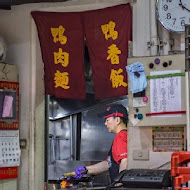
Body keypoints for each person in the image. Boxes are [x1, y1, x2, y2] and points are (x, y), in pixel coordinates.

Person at [71, 104, 128, 184]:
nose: (105, 123)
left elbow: (125, 161)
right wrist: (85, 170)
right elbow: (108, 164)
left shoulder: (121, 136)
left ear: (117, 120)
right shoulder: (123, 135)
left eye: (107, 120)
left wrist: (120, 184)